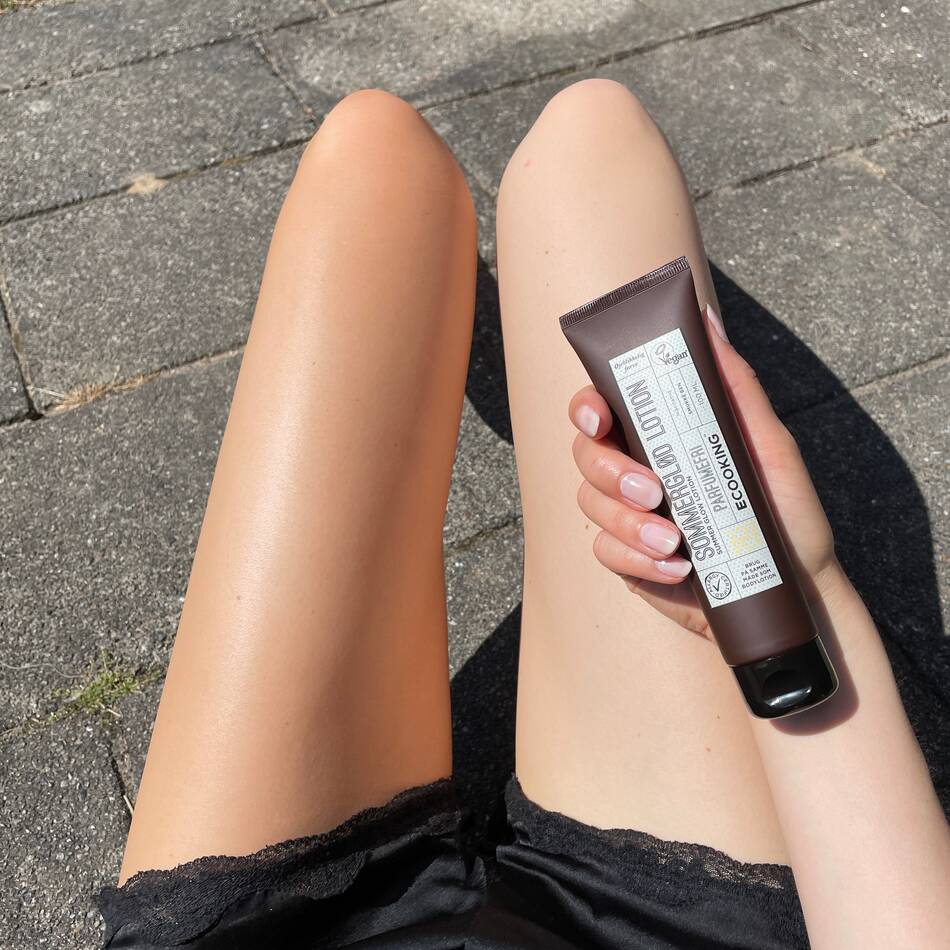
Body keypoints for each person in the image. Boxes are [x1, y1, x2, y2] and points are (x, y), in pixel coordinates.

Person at [97, 81, 950, 949]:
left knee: (372, 150)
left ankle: (454, 298)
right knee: (589, 139)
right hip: (667, 925)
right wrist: (805, 588)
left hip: (267, 931)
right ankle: (492, 299)